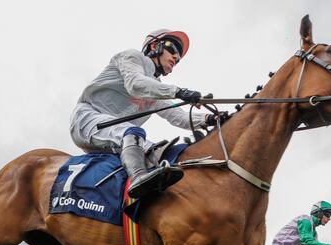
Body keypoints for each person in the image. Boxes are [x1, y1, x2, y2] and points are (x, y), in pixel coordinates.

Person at [69, 29, 225, 199]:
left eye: (179, 58)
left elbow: (178, 117)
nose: (176, 58)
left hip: (113, 138)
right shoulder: (132, 57)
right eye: (173, 50)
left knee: (154, 150)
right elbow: (135, 84)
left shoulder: (156, 88)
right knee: (133, 133)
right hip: (87, 118)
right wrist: (180, 92)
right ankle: (138, 178)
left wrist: (211, 118)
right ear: (154, 46)